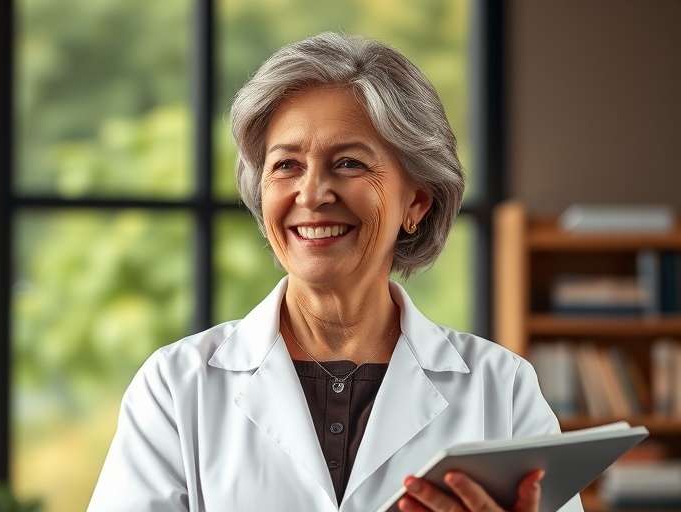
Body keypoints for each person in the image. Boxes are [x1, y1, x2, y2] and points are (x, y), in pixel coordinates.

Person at [88, 32, 582, 512]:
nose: (311, 194)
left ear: (417, 200)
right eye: (286, 165)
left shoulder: (502, 389)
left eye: (347, 163)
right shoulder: (177, 387)